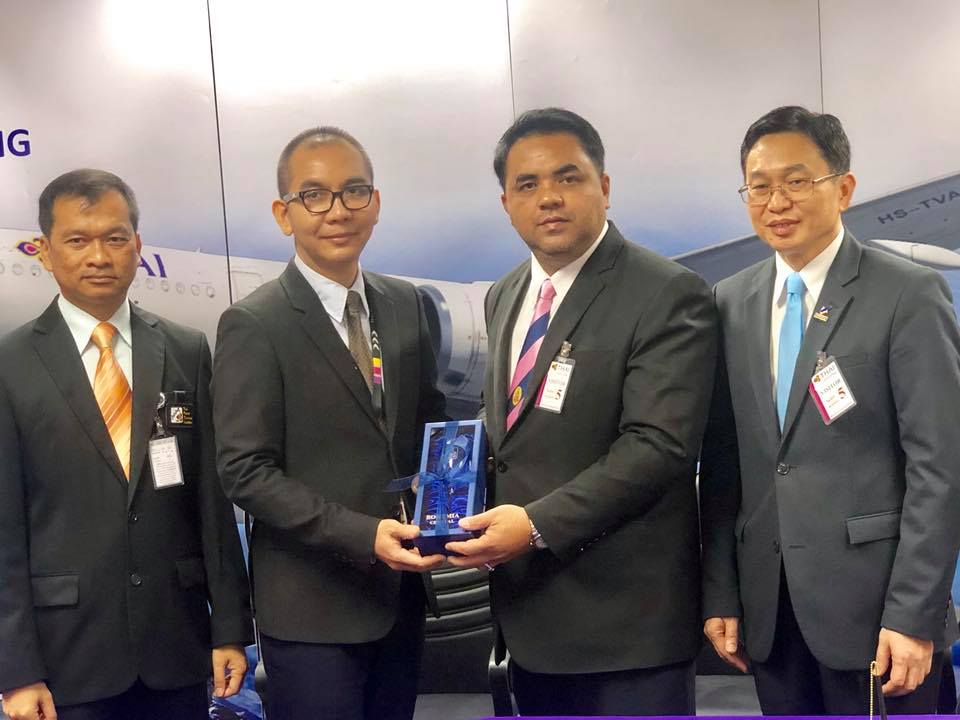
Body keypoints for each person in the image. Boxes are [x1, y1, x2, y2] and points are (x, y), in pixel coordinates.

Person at [447, 107, 718, 715]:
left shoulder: (666, 291)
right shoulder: (506, 294)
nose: (549, 197)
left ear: (604, 185)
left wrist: (533, 525)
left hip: (627, 627)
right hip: (530, 619)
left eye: (568, 177)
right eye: (527, 184)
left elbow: (659, 446)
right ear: (506, 204)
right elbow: (514, 435)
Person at [700, 105, 960, 714]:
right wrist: (721, 592)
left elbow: (941, 467)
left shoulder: (907, 294)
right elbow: (722, 464)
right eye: (759, 186)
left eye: (797, 181)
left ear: (843, 188)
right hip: (770, 612)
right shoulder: (729, 301)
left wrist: (913, 614)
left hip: (879, 614)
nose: (777, 202)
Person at [212, 127, 447, 720]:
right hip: (311, 610)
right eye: (314, 196)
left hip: (400, 596)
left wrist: (451, 503)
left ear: (376, 202)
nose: (337, 211)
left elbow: (429, 424)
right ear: (283, 214)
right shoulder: (254, 324)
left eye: (354, 191)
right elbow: (244, 470)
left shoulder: (404, 304)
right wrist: (362, 535)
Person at [0, 169, 252, 720]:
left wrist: (230, 630)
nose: (99, 256)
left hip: (177, 644)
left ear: (137, 245)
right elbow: (4, 530)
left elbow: (212, 504)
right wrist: (16, 671)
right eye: (77, 240)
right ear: (45, 251)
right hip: (66, 659)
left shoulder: (186, 349)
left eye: (115, 238)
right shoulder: (10, 364)